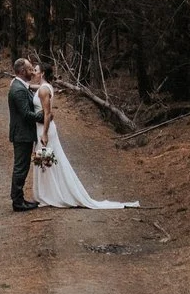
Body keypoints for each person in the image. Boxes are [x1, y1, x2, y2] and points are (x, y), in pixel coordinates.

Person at [28, 63, 140, 209]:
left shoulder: (43, 90)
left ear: (42, 73)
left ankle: (51, 195)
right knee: (44, 161)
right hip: (42, 129)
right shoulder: (45, 87)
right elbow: (37, 88)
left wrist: (44, 133)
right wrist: (27, 86)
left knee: (46, 161)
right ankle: (47, 193)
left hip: (45, 130)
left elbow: (47, 113)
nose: (33, 73)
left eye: (35, 70)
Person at [8, 58, 43, 211]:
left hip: (23, 133)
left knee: (22, 166)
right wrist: (43, 116)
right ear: (22, 71)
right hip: (22, 134)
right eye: (29, 69)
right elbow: (26, 114)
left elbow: (30, 88)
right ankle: (17, 202)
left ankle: (19, 199)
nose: (32, 72)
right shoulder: (18, 89)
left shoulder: (20, 85)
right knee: (20, 167)